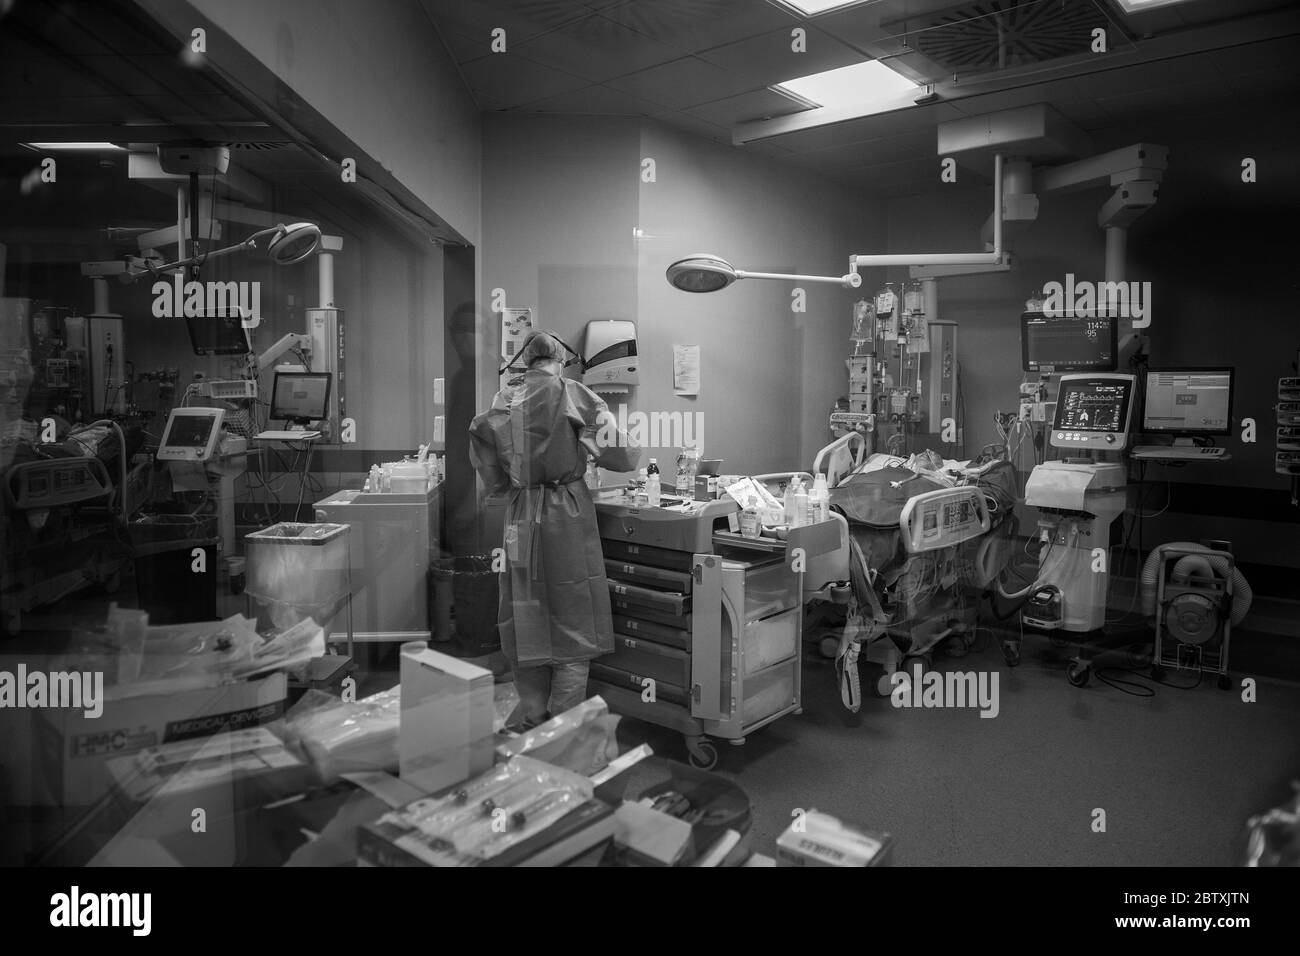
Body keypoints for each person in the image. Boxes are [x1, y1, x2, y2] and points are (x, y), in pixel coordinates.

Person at [469, 330, 640, 730]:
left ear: (525, 362)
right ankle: (562, 728)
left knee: (524, 611)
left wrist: (504, 485)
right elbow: (622, 453)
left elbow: (484, 451)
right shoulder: (575, 395)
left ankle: (532, 716)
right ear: (561, 361)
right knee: (573, 616)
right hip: (567, 513)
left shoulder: (504, 399)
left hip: (521, 513)